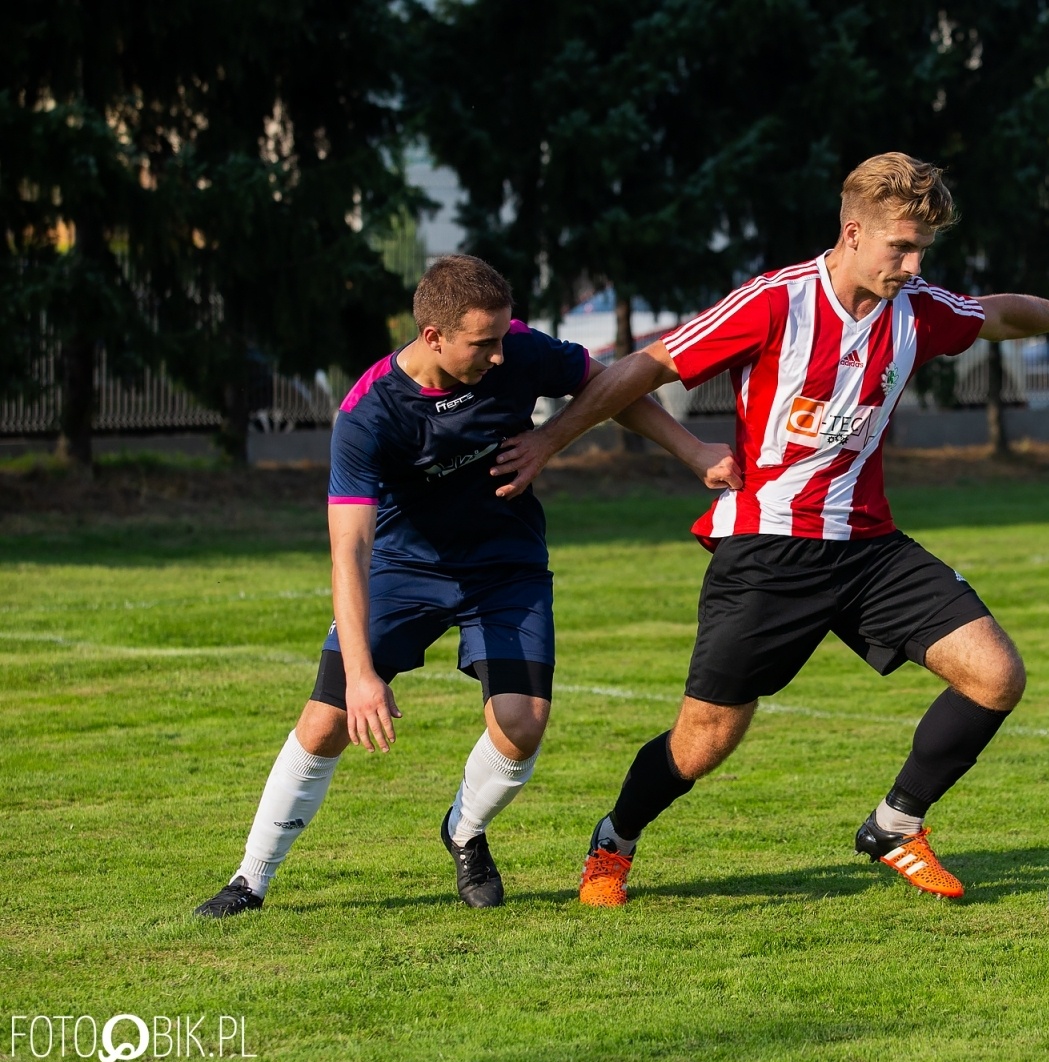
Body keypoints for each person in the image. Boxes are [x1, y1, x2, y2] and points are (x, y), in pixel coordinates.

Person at [491, 152, 1049, 905]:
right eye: (902, 248)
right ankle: (615, 838)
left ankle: (895, 822)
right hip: (768, 550)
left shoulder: (916, 308)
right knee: (704, 742)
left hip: (869, 547)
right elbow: (642, 368)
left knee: (995, 674)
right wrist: (548, 442)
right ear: (853, 232)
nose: (914, 265)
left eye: (923, 250)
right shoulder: (775, 302)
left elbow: (997, 312)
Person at [193, 254, 739, 916]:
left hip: (505, 565)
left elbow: (612, 384)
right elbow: (350, 548)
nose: (501, 357)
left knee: (522, 724)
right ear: (433, 337)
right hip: (402, 568)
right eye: (484, 343)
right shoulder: (369, 414)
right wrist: (364, 676)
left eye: (504, 337)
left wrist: (688, 450)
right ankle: (249, 880)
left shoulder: (516, 350)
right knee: (327, 718)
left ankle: (464, 829)